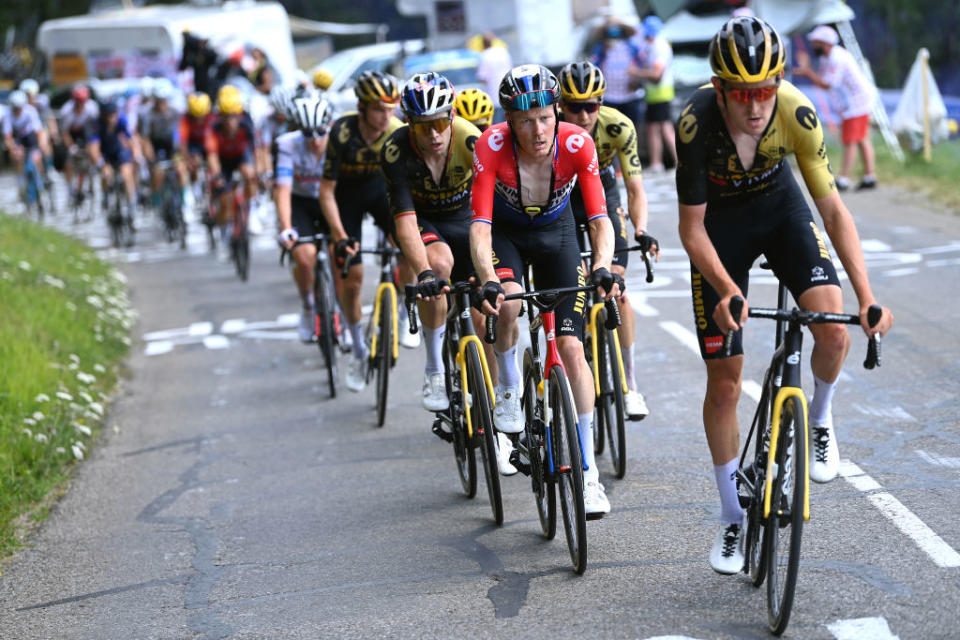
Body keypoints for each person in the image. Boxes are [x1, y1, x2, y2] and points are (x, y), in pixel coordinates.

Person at [675, 16, 894, 574]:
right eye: (743, 94)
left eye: (765, 91)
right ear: (720, 89)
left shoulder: (796, 112)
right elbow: (691, 230)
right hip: (720, 230)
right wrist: (726, 289)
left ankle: (819, 417)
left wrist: (866, 296)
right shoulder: (696, 124)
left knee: (833, 329)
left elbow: (833, 211)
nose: (755, 106)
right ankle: (730, 515)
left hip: (780, 212)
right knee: (725, 380)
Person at [470, 64, 622, 516]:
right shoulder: (490, 145)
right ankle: (509, 389)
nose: (537, 130)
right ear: (509, 121)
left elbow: (598, 219)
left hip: (558, 235)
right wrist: (488, 279)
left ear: (557, 111)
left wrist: (600, 266)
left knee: (573, 348)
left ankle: (590, 474)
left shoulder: (578, 143)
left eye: (544, 117)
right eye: (524, 120)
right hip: (508, 236)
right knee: (509, 306)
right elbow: (479, 228)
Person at [382, 73, 488, 416]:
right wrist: (424, 273)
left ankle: (501, 397)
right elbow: (405, 222)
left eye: (441, 122)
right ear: (409, 122)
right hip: (424, 219)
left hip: (465, 217)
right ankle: (434, 370)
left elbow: (496, 202)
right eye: (423, 125)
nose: (434, 134)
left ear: (452, 116)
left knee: (488, 313)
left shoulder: (471, 139)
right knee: (439, 266)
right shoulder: (396, 150)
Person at [559, 60, 658, 420]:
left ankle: (631, 385)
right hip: (564, 197)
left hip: (603, 193)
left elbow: (635, 188)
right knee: (572, 282)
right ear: (560, 105)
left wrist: (642, 229)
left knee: (617, 286)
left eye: (592, 106)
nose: (584, 114)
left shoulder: (618, 125)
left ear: (601, 104)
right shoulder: (550, 129)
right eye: (575, 106)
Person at [319, 70, 416, 392]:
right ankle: (359, 348)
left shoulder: (396, 131)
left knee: (411, 248)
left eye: (391, 108)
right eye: (379, 109)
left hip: (381, 192)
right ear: (362, 108)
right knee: (353, 275)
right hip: (346, 196)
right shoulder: (342, 132)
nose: (386, 116)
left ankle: (404, 312)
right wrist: (339, 236)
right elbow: (327, 190)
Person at [274, 96, 335, 342]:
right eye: (309, 134)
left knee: (341, 256)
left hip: (330, 199)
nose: (316, 140)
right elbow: (283, 189)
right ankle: (308, 304)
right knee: (305, 257)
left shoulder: (339, 141)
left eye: (321, 132)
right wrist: (286, 228)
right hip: (301, 202)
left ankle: (341, 309)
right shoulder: (287, 144)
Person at [792, 24, 878, 191]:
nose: (812, 45)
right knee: (861, 139)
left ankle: (844, 179)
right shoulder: (828, 57)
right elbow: (822, 78)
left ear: (825, 43)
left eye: (815, 42)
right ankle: (869, 176)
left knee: (850, 141)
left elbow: (827, 84)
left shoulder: (836, 58)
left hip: (856, 103)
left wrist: (807, 71)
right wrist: (807, 68)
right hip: (854, 103)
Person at [205, 85, 258, 255]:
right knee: (226, 198)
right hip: (222, 160)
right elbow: (212, 155)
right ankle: (225, 230)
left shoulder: (246, 124)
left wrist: (259, 171)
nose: (230, 122)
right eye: (226, 118)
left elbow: (257, 149)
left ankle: (251, 211)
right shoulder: (213, 128)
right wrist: (217, 175)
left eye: (233, 117)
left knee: (249, 175)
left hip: (241, 157)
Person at [629, 15, 677, 171]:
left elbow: (656, 74)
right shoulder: (652, 46)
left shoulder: (659, 47)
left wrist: (636, 73)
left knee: (661, 128)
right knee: (659, 128)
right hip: (655, 94)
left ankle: (662, 163)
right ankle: (662, 162)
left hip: (660, 93)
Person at [89, 101, 138, 228]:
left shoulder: (121, 120)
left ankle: (131, 204)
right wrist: (102, 165)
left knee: (127, 173)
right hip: (104, 153)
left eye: (113, 115)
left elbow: (131, 139)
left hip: (118, 151)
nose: (112, 118)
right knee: (106, 175)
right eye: (108, 115)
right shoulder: (97, 125)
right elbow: (93, 148)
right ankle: (105, 197)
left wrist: (136, 156)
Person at [589, 18, 644, 132]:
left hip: (630, 96)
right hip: (609, 97)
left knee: (631, 129)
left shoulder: (631, 46)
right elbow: (593, 68)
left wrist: (637, 81)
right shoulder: (601, 49)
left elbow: (641, 67)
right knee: (610, 130)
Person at [58, 85, 100, 206]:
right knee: (69, 162)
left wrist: (91, 146)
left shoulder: (92, 108)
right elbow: (65, 133)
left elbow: (95, 130)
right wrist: (71, 147)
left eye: (83, 101)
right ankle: (70, 189)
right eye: (78, 101)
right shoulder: (67, 110)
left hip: (87, 132)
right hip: (72, 134)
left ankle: (92, 172)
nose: (81, 104)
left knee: (92, 152)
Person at [3, 90, 47, 195]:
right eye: (15, 108)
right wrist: (12, 148)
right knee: (17, 157)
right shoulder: (7, 114)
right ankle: (21, 185)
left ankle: (41, 179)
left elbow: (38, 131)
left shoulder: (30, 111)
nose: (17, 110)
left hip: (30, 136)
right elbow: (7, 136)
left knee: (37, 157)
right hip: (17, 138)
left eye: (19, 108)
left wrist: (41, 144)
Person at [474, 33, 512, 123]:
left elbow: (482, 78)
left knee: (497, 125)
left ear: (483, 44)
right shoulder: (503, 52)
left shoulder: (484, 55)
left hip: (493, 96)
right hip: (508, 93)